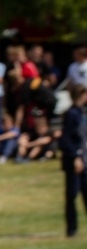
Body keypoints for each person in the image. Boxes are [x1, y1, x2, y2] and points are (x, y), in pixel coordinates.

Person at [58, 84, 87, 237]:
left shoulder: (82, 113)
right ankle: (72, 229)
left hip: (84, 160)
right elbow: (65, 139)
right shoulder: (72, 114)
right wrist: (75, 156)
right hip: (74, 162)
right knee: (72, 196)